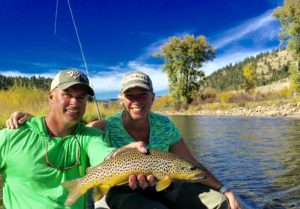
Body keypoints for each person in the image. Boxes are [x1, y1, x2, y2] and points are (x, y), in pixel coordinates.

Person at [7, 71, 241, 209]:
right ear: (121, 100)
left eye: (143, 95)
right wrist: (32, 122)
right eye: (130, 95)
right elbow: (73, 129)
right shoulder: (103, 126)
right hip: (123, 189)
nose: (136, 100)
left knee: (220, 203)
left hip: (166, 184)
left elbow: (190, 162)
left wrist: (226, 189)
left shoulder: (165, 125)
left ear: (152, 98)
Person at [1, 69, 147, 209]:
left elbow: (104, 155)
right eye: (67, 94)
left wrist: (122, 156)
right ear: (51, 97)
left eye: (81, 97)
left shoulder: (90, 136)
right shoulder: (12, 135)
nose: (75, 102)